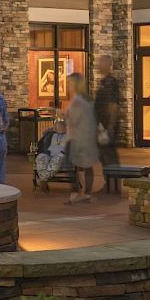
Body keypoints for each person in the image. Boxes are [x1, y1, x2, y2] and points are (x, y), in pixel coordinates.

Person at [64, 73, 100, 203]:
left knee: (69, 165)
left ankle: (74, 193)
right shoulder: (88, 99)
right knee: (88, 166)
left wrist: (64, 116)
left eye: (70, 82)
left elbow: (73, 121)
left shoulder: (77, 101)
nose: (68, 85)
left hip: (76, 138)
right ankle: (87, 193)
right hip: (88, 137)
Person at [94, 57, 122, 168]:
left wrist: (110, 126)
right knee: (104, 154)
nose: (98, 66)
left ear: (108, 65)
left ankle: (113, 183)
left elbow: (114, 105)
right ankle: (109, 181)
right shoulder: (103, 82)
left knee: (109, 154)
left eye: (100, 64)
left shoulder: (110, 82)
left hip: (107, 125)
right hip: (102, 124)